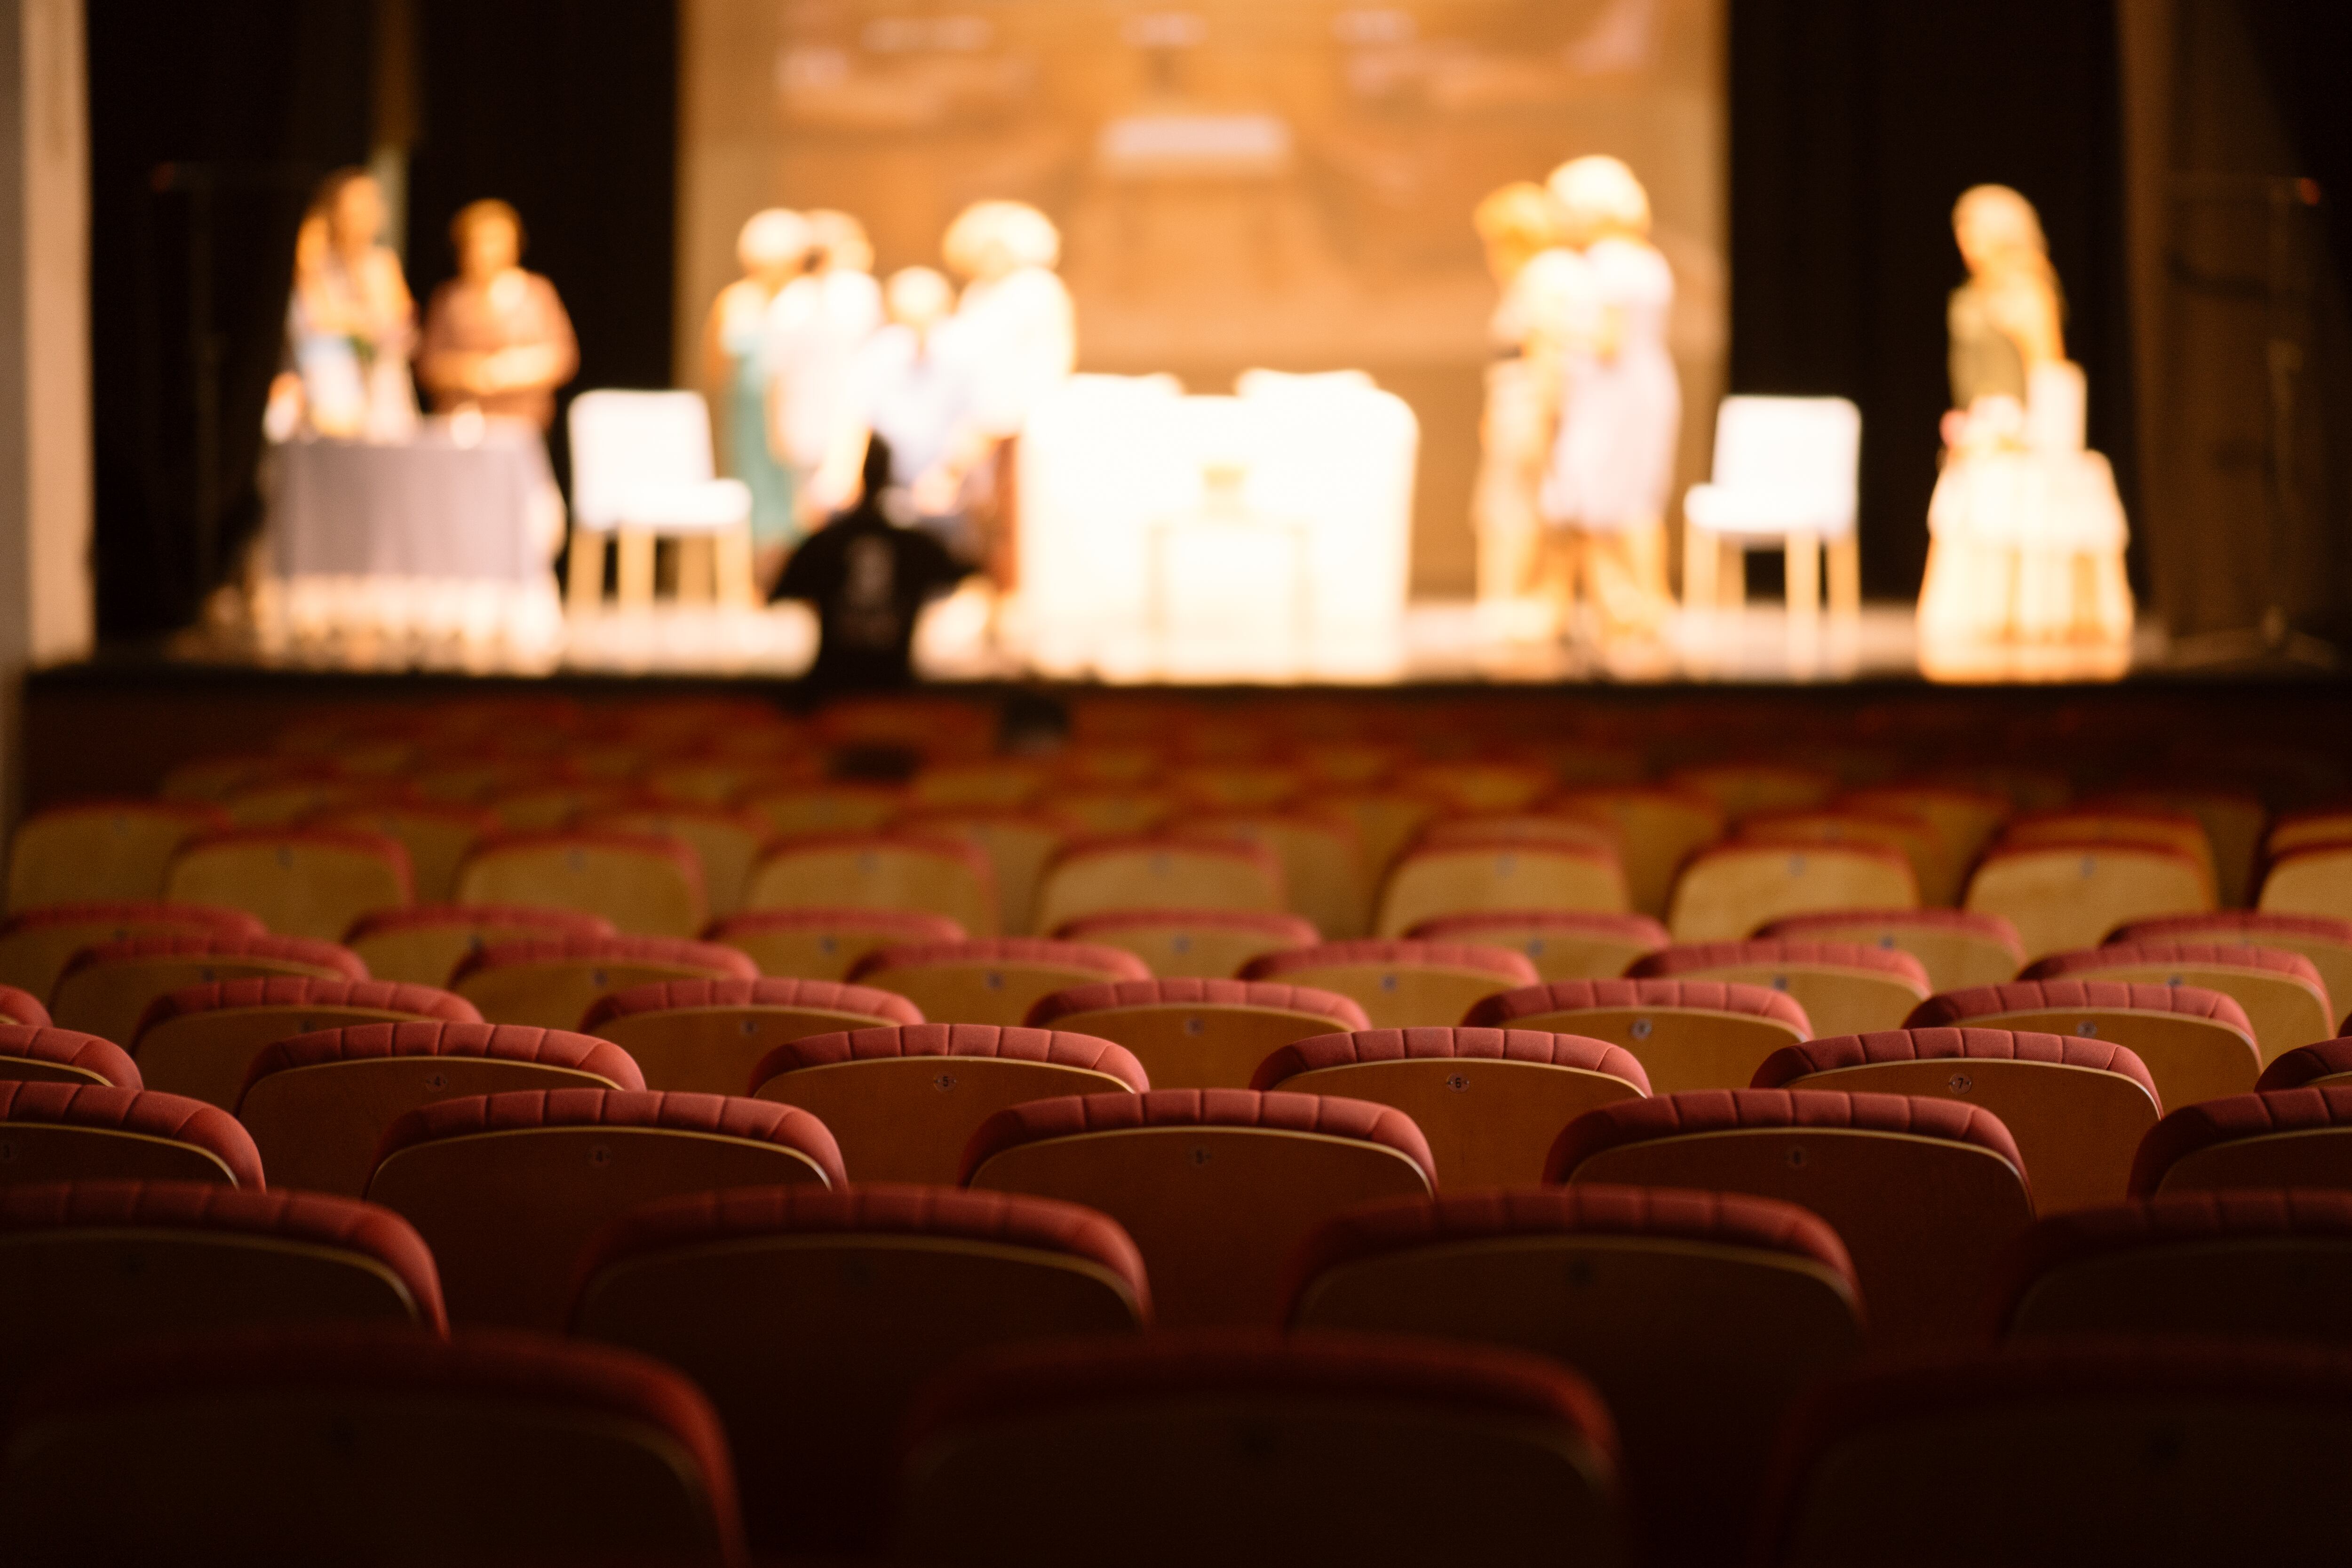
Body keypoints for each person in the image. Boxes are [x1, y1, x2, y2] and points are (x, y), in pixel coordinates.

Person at [1917, 184, 2132, 648]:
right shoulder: (1972, 291)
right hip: (1981, 421)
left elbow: (2048, 368)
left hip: (2020, 426)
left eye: (1975, 228)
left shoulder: (2026, 290)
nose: (1965, 239)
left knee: (2004, 485)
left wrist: (2030, 433)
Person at [1538, 154, 1679, 643]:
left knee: (1602, 503)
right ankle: (1629, 609)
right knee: (1626, 501)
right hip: (1631, 390)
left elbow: (1607, 341)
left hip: (1614, 395)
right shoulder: (1643, 257)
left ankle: (1639, 607)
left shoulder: (1611, 263)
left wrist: (1546, 324)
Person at [940, 200, 1075, 588]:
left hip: (1016, 421)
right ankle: (987, 593)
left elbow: (1047, 360)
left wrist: (1006, 417)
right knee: (981, 517)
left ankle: (1012, 597)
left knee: (1015, 520)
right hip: (978, 418)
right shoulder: (980, 293)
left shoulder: (1036, 291)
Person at [774, 432, 969, 690]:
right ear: (890, 475)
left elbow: (778, 592)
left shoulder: (825, 544)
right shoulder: (917, 547)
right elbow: (967, 575)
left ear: (858, 473)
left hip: (834, 691)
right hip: (895, 691)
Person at [1472, 180, 1578, 639]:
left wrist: (1543, 418)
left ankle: (1511, 608)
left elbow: (1547, 354)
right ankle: (1519, 607)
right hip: (1518, 405)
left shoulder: (1544, 276)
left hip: (1527, 408)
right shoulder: (1546, 275)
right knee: (1516, 507)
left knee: (1514, 509)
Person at [704, 208, 812, 583]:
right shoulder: (734, 299)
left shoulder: (804, 301)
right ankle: (748, 583)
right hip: (748, 413)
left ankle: (794, 578)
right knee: (752, 494)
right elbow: (716, 365)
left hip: (796, 409)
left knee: (797, 498)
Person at [765, 208, 884, 533]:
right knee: (818, 501)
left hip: (841, 413)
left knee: (836, 495)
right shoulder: (800, 299)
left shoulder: (850, 293)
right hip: (821, 413)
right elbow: (779, 370)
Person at [416, 199, 578, 430]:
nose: (486, 251)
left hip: (524, 423)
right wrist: (471, 372)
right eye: (478, 242)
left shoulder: (536, 293)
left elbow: (562, 357)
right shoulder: (450, 298)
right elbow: (428, 365)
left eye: (496, 241)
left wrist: (510, 369)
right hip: (462, 422)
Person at [282, 168, 417, 441]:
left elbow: (401, 324)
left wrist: (363, 322)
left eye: (371, 204)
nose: (364, 216)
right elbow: (319, 321)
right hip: (330, 386)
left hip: (383, 386)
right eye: (353, 207)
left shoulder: (383, 263)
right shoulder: (315, 264)